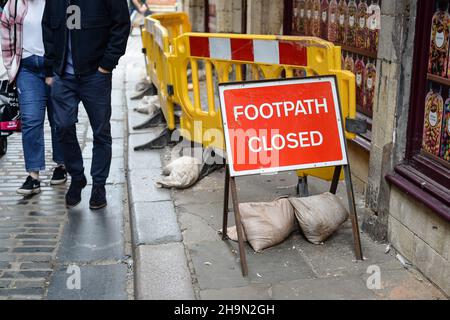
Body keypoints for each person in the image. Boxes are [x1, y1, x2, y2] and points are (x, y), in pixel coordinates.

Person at [43, 0, 130, 210]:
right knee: (62, 126)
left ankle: (98, 186)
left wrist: (107, 65)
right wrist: (50, 69)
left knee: (101, 132)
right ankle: (77, 176)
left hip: (95, 75)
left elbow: (122, 25)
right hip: (63, 75)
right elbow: (47, 27)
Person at [1, 0, 67, 196]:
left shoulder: (59, 3)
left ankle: (62, 164)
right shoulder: (15, 3)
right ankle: (33, 176)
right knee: (31, 120)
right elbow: (5, 28)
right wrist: (11, 63)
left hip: (55, 67)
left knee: (59, 120)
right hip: (27, 68)